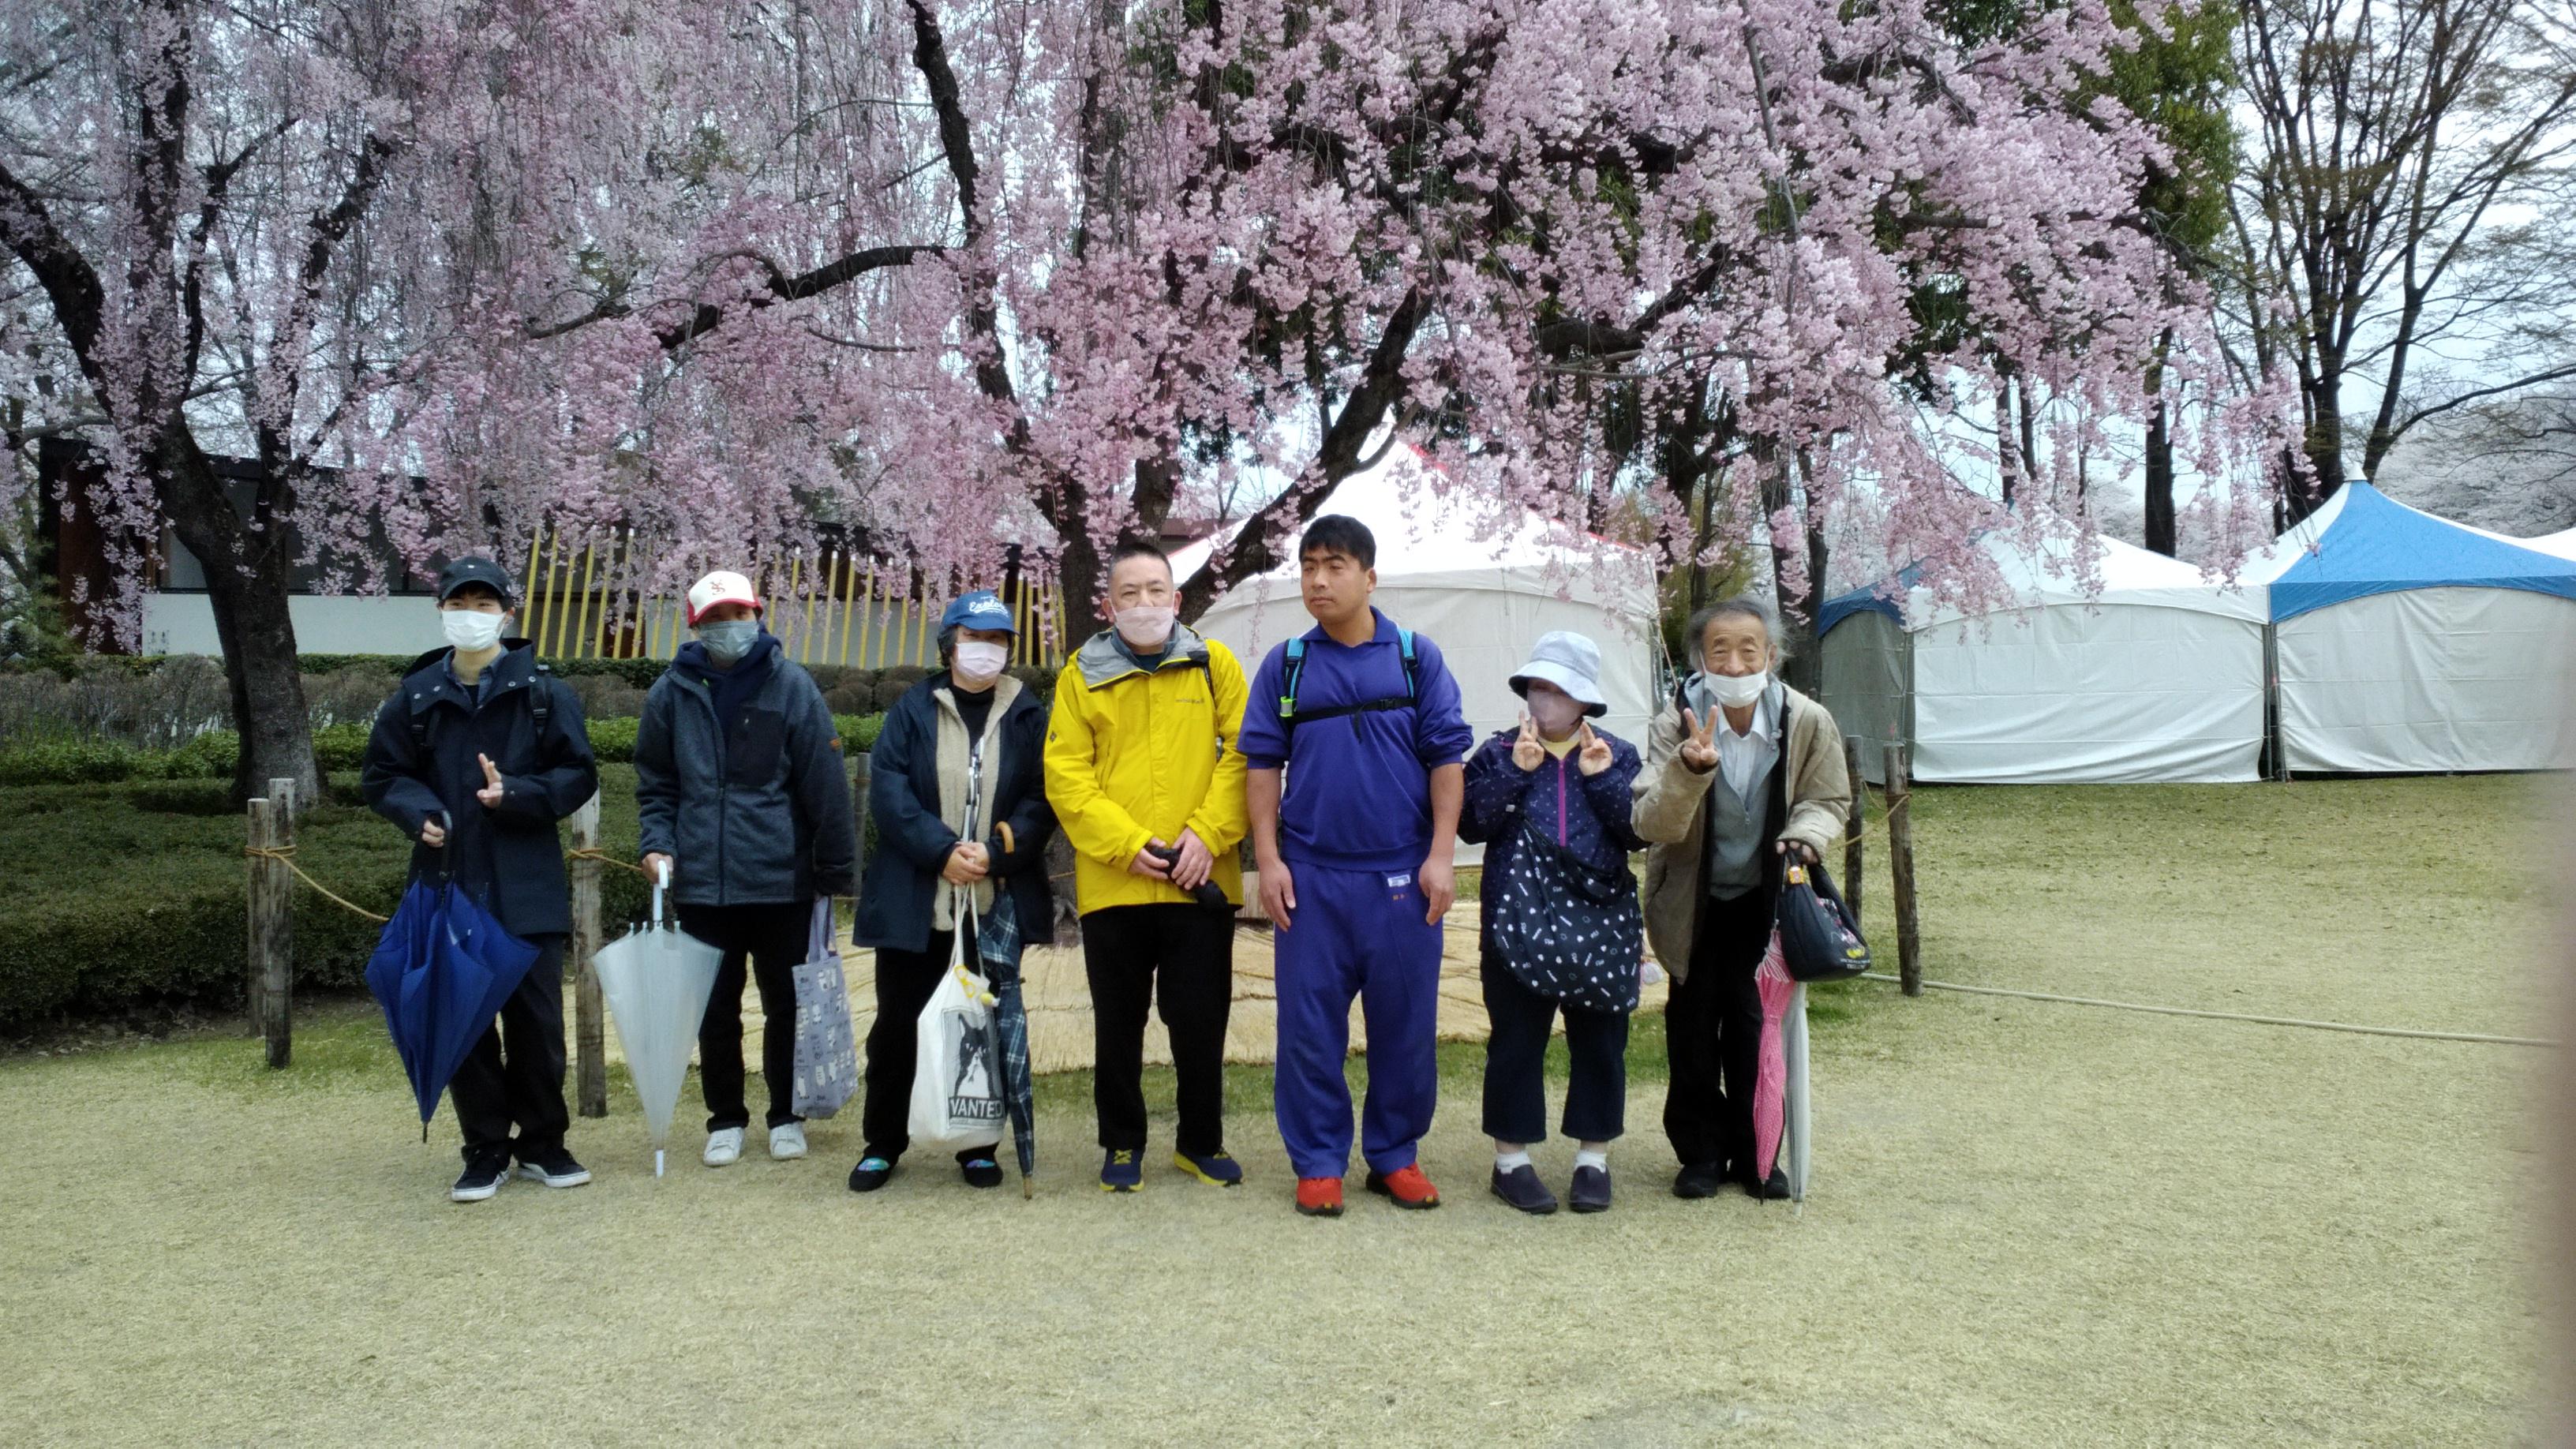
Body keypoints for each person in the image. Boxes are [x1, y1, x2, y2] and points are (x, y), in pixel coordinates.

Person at [1238, 515, 1475, 1217]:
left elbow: (1447, 759)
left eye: (1335, 565)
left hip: (1402, 877)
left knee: (1406, 1024)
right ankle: (1318, 1161)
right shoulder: (1286, 664)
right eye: (1308, 565)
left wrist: (1442, 856)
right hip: (1310, 876)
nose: (1318, 580)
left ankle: (1395, 1155)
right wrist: (1269, 861)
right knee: (1308, 1029)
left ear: (1369, 577)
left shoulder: (1414, 657)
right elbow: (1261, 765)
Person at [361, 556, 601, 1204]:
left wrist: (515, 794)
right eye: (459, 603)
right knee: (461, 1020)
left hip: (526, 882)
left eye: (484, 603)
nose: (471, 614)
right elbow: (383, 775)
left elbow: (578, 773)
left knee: (537, 1025)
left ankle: (544, 1142)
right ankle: (485, 1147)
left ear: (507, 613)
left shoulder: (544, 693)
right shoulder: (414, 697)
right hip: (448, 881)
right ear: (441, 611)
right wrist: (420, 813)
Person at [1044, 537, 1252, 1192]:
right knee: (1118, 1022)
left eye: (1155, 591)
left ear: (1177, 599)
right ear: (1108, 606)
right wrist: (1129, 845)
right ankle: (1121, 1143)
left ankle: (1201, 1142)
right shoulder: (1081, 674)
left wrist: (1206, 836)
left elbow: (1246, 753)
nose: (1143, 603)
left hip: (1201, 879)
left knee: (1200, 1020)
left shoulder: (1213, 664)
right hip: (1115, 883)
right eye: (1128, 594)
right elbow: (1066, 774)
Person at [634, 568, 858, 1169]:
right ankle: (725, 1118)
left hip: (781, 878)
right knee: (715, 1009)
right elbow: (656, 784)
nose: (730, 626)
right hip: (702, 884)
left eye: (739, 614)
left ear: (758, 615)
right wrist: (656, 843)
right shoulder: (671, 693)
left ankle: (785, 1115)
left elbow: (824, 783)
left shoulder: (792, 686)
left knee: (787, 1005)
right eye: (716, 619)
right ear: (696, 626)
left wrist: (834, 870)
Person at [1632, 597, 1852, 1200]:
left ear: (1771, 656)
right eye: (1719, 651)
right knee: (1692, 1028)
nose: (1733, 665)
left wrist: (1805, 834)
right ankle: (1701, 1155)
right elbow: (1652, 823)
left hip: (1766, 901)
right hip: (1693, 904)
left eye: (1747, 650)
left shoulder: (1806, 721)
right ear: (1700, 660)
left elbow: (1828, 799)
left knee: (1758, 1029)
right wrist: (1688, 770)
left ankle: (1760, 1156)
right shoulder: (1672, 725)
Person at [848, 590, 1058, 1193]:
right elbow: (890, 791)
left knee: (982, 1025)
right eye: (973, 638)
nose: (985, 649)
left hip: (992, 900)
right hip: (917, 897)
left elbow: (1044, 795)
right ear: (949, 645)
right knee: (898, 1025)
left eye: (996, 640)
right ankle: (883, 1142)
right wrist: (942, 851)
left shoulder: (1027, 713)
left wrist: (998, 850)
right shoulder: (913, 709)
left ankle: (977, 1144)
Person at [1458, 631, 1647, 1215]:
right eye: (1537, 686)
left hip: (1601, 917)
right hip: (1516, 917)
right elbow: (1471, 824)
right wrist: (1515, 773)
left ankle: (1594, 1158)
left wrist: (1602, 778)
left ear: (1584, 698)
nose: (1544, 699)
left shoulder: (1618, 753)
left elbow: (1636, 833)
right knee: (1516, 1040)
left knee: (1602, 1042)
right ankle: (1510, 1162)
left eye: (1559, 689)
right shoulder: (1496, 750)